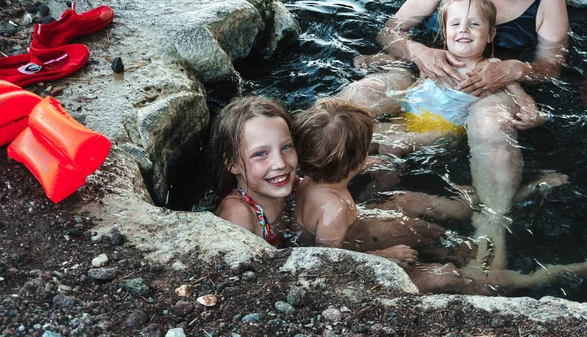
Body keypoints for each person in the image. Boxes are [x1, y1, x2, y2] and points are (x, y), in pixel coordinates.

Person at [339, 0, 568, 271]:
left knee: (488, 121)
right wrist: (416, 51)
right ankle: (316, 167)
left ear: (490, 32)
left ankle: (492, 220)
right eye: (457, 24)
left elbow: (551, 65)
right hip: (422, 77)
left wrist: (517, 69)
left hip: (486, 88)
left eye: (474, 24)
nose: (465, 30)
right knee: (363, 94)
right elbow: (390, 31)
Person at [292, 97, 587, 295]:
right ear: (354, 161)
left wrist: (361, 166)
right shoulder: (333, 209)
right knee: (461, 276)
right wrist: (384, 257)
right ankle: (551, 273)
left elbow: (332, 181)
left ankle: (497, 201)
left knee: (413, 205)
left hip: (361, 225)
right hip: (365, 252)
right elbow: (328, 259)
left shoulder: (311, 180)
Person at [211, 96, 298, 247]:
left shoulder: (293, 185)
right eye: (260, 154)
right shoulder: (238, 217)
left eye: (286, 147)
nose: (280, 163)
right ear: (232, 164)